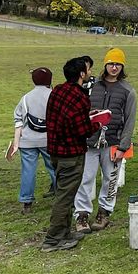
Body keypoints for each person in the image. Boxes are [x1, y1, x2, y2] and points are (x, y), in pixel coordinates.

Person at [42, 57, 109, 251]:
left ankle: (65, 233)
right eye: (87, 69)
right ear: (81, 74)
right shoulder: (79, 96)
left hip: (55, 151)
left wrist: (87, 115)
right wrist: (97, 122)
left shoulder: (58, 91)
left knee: (65, 192)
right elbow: (81, 130)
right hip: (71, 154)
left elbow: (66, 118)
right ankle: (53, 239)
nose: (89, 72)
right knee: (65, 196)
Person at [73, 48, 136, 233]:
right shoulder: (91, 86)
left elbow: (130, 120)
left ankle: (104, 212)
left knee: (110, 180)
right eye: (111, 63)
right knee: (86, 178)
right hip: (90, 141)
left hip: (113, 142)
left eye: (118, 64)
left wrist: (123, 146)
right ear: (105, 65)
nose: (114, 67)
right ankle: (82, 214)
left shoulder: (128, 90)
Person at [8, 67, 57, 213]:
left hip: (27, 141)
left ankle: (26, 202)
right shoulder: (54, 95)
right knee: (55, 169)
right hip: (49, 141)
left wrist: (16, 143)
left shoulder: (25, 98)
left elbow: (18, 122)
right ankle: (63, 197)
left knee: (28, 171)